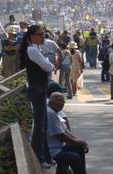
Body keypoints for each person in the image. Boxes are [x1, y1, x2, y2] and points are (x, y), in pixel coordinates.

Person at [19, 25, 55, 169]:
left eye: (43, 34)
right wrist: (50, 64)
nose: (43, 37)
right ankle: (39, 158)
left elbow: (46, 65)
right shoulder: (32, 50)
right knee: (40, 125)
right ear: (32, 36)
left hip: (41, 88)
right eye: (40, 34)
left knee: (43, 124)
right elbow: (47, 67)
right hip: (37, 89)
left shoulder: (36, 49)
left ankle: (46, 156)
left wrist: (48, 64)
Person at [47, 92, 88, 174]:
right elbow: (60, 135)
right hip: (51, 151)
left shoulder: (56, 112)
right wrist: (76, 141)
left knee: (79, 147)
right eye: (59, 101)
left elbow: (66, 131)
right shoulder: (50, 113)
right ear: (51, 102)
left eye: (63, 101)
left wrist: (79, 142)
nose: (62, 103)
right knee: (74, 158)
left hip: (58, 147)